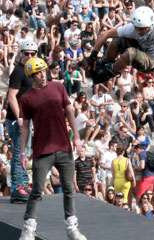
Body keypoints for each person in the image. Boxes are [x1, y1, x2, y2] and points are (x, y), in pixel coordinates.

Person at [18, 57, 86, 240]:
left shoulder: (58, 87)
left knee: (69, 188)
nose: (42, 75)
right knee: (37, 190)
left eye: (43, 71)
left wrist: (78, 139)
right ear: (32, 76)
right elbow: (24, 127)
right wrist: (22, 152)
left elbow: (70, 111)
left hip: (64, 146)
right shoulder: (26, 98)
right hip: (42, 150)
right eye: (38, 73)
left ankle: (72, 229)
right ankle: (28, 229)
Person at [5, 40, 38, 203]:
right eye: (27, 53)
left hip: (26, 119)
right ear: (21, 53)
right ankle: (18, 187)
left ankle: (22, 185)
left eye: (33, 53)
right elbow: (11, 96)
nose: (30, 56)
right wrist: (19, 117)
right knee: (19, 154)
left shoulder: (30, 71)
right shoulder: (18, 71)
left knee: (23, 154)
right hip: (16, 120)